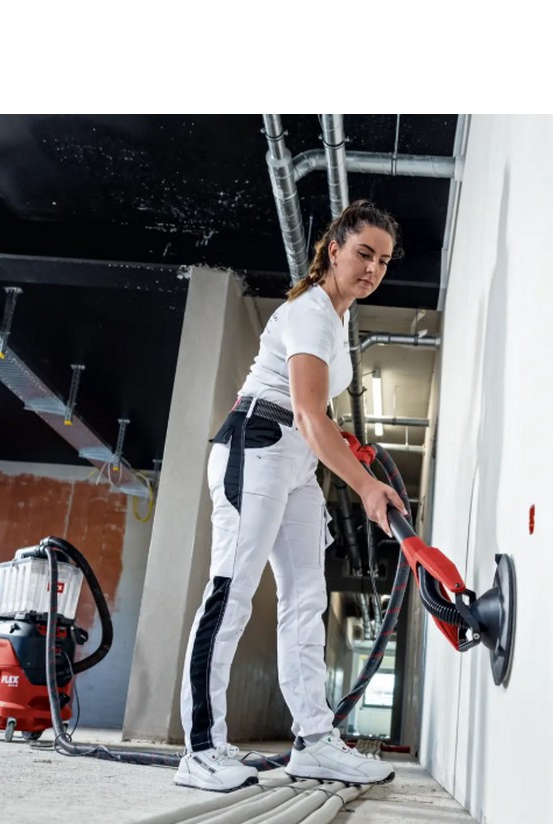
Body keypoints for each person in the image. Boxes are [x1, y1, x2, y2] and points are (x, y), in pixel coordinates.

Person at [173, 199, 407, 793]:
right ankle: (200, 751)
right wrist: (365, 486)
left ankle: (314, 742)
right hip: (257, 445)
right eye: (364, 254)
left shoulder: (337, 319)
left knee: (306, 597)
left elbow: (312, 410)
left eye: (383, 261)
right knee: (231, 591)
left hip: (295, 461)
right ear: (335, 249)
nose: (373, 268)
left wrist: (336, 439)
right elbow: (304, 411)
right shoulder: (311, 313)